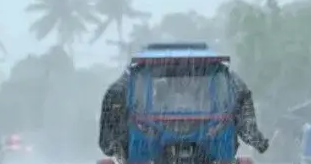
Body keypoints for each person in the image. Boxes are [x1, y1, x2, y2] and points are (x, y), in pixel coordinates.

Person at [97, 67, 269, 157]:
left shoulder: (212, 94)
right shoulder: (158, 95)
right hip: (159, 128)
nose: (183, 82)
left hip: (199, 128)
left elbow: (240, 108)